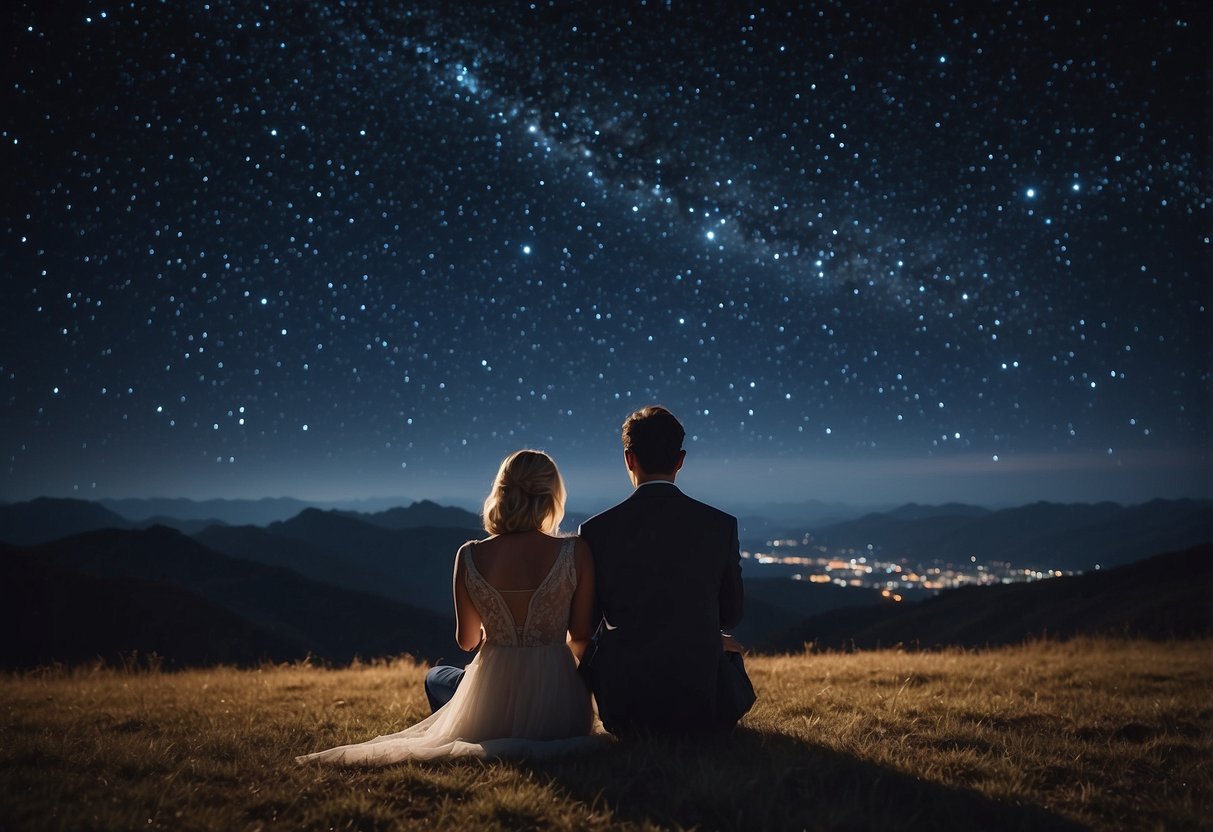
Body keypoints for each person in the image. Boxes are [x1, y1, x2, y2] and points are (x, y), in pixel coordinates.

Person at [297, 450, 599, 764]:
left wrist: (497, 628)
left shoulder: (469, 555)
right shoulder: (574, 551)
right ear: (551, 496)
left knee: (436, 677)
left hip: (491, 704)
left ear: (502, 492)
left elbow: (467, 641)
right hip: (560, 709)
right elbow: (580, 636)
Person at [577, 405, 756, 737]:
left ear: (629, 459)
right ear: (680, 460)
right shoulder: (720, 526)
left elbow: (585, 625)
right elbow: (731, 615)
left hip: (624, 705)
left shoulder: (596, 530)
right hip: (703, 704)